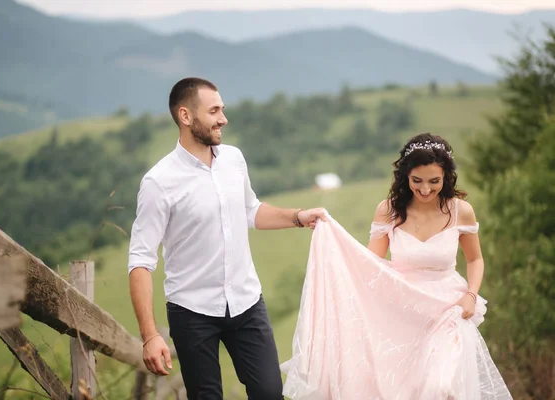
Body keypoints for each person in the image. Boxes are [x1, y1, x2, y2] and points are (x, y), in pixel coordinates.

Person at [127, 77, 327, 400]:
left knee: (269, 392)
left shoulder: (233, 159)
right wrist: (150, 336)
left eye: (222, 109)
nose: (224, 118)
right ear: (186, 116)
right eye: (215, 110)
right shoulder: (158, 183)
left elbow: (251, 210)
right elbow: (140, 261)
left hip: (247, 303)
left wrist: (296, 217)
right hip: (192, 312)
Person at [281, 133, 513, 399]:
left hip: (448, 309)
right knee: (403, 390)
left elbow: (475, 259)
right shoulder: (388, 210)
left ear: (447, 177)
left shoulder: (461, 211)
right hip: (400, 310)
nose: (425, 189)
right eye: (417, 181)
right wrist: (333, 236)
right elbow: (370, 264)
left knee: (441, 387)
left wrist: (471, 295)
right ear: (405, 177)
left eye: (434, 181)